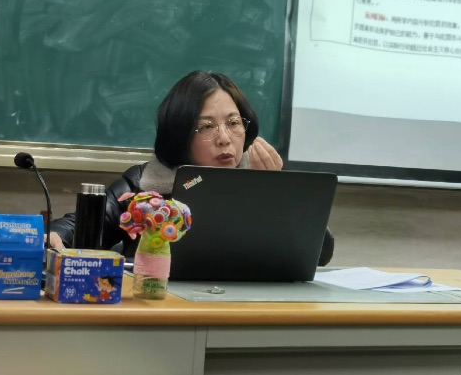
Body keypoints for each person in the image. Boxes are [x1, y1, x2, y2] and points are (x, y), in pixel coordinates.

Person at [49, 71, 334, 265]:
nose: (225, 138)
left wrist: (277, 193)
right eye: (207, 127)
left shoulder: (261, 175)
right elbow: (80, 226)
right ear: (181, 135)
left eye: (234, 123)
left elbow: (320, 253)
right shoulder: (145, 182)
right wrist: (54, 236)